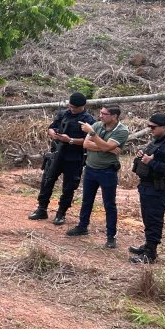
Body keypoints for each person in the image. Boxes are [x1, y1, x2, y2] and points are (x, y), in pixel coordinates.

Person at [65, 104, 130, 248]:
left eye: (104, 114)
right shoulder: (97, 125)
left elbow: (105, 146)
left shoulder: (122, 130)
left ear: (114, 116)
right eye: (100, 113)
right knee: (87, 200)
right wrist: (105, 147)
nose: (100, 116)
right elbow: (86, 144)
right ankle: (82, 227)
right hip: (90, 169)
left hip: (107, 171)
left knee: (109, 204)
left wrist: (96, 137)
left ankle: (111, 236)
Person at [28, 93, 94, 225]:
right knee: (47, 181)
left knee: (69, 186)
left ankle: (61, 213)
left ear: (83, 106)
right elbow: (52, 127)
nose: (72, 109)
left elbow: (90, 140)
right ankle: (42, 209)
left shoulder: (89, 120)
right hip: (57, 153)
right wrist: (52, 132)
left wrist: (70, 140)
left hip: (74, 157)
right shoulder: (63, 114)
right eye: (70, 106)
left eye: (74, 107)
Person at [129, 113, 165, 264]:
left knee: (154, 220)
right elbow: (151, 158)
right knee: (148, 218)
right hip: (147, 186)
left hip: (158, 188)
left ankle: (150, 253)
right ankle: (147, 245)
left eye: (152, 127)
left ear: (164, 127)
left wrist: (150, 162)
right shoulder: (157, 141)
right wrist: (143, 156)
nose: (149, 129)